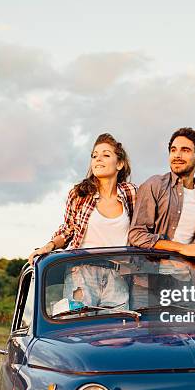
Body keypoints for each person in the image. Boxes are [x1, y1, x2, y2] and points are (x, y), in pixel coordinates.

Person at [28, 133, 137, 313]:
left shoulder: (131, 193)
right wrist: (49, 245)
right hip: (82, 273)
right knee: (80, 330)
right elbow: (68, 229)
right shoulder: (80, 194)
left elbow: (143, 226)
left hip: (118, 274)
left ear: (119, 164)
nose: (98, 159)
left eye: (106, 155)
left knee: (117, 332)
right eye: (94, 156)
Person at [128, 127, 195, 261]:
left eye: (185, 150)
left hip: (186, 275)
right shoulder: (155, 185)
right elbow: (137, 235)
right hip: (151, 274)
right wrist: (181, 247)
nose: (177, 155)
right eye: (173, 150)